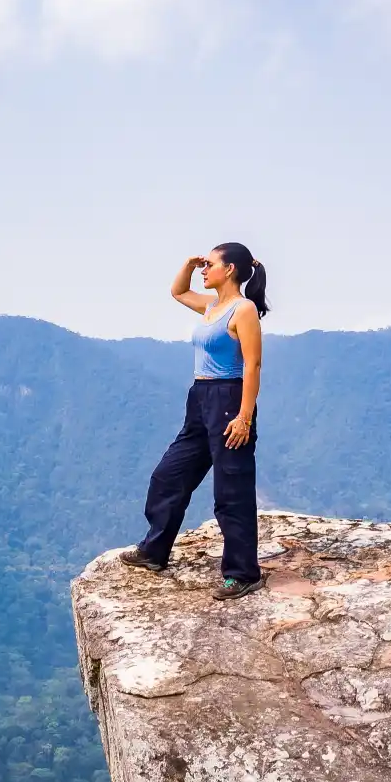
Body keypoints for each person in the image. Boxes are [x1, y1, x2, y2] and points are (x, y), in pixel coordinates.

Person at [119, 242, 269, 599]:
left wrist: (244, 417)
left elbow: (253, 365)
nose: (205, 270)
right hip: (200, 399)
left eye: (210, 264)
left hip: (230, 399)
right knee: (169, 475)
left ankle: (243, 572)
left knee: (231, 491)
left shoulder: (242, 309)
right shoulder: (211, 306)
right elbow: (178, 291)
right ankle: (154, 551)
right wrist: (188, 262)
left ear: (230, 269)